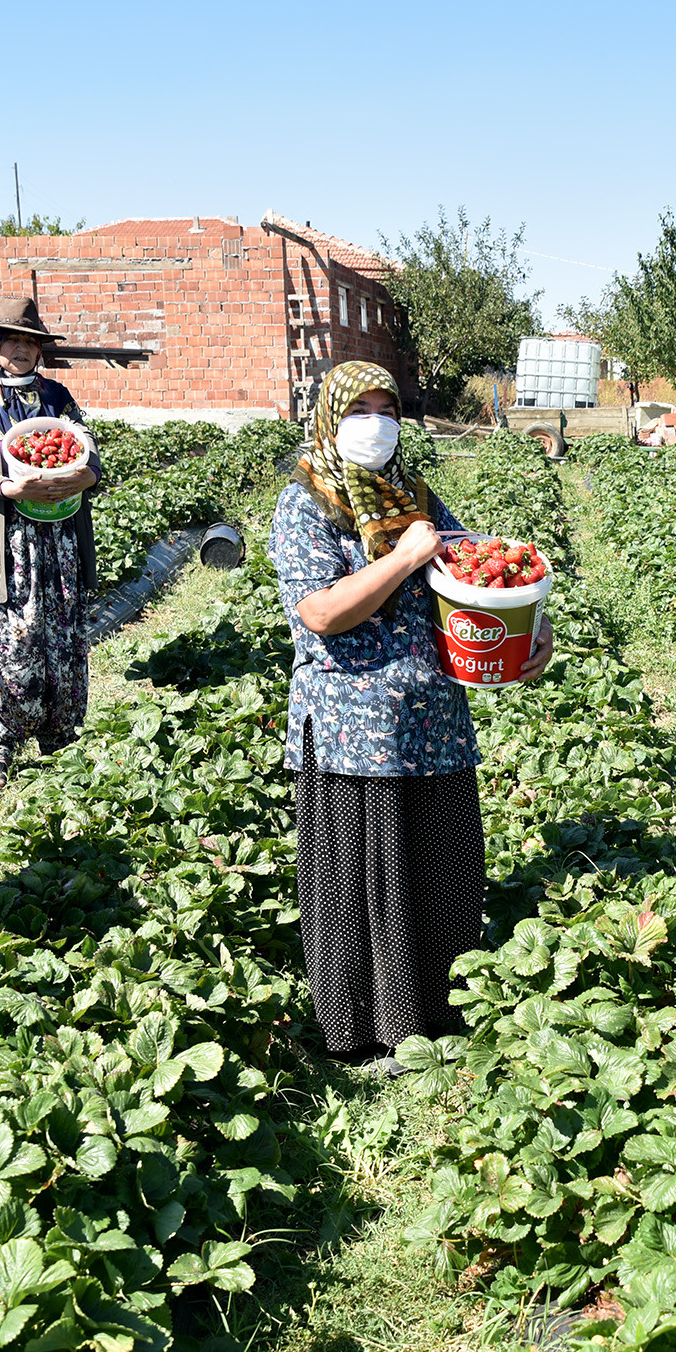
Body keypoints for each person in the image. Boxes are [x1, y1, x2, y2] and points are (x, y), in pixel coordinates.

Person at [270, 362, 552, 1067]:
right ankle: (364, 1033)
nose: (375, 422)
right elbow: (322, 611)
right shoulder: (305, 503)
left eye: (385, 408)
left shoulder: (415, 496)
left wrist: (529, 625)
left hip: (430, 714)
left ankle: (436, 1016)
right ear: (329, 420)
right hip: (350, 723)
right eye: (358, 408)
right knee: (363, 876)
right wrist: (402, 557)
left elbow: (467, 572)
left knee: (438, 867)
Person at [0, 295, 103, 791]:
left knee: (57, 634)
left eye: (30, 342)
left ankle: (59, 733)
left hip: (58, 537)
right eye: (12, 340)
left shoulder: (57, 398)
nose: (21, 349)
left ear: (40, 350)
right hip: (4, 543)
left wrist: (86, 477)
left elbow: (86, 447)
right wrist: (10, 487)